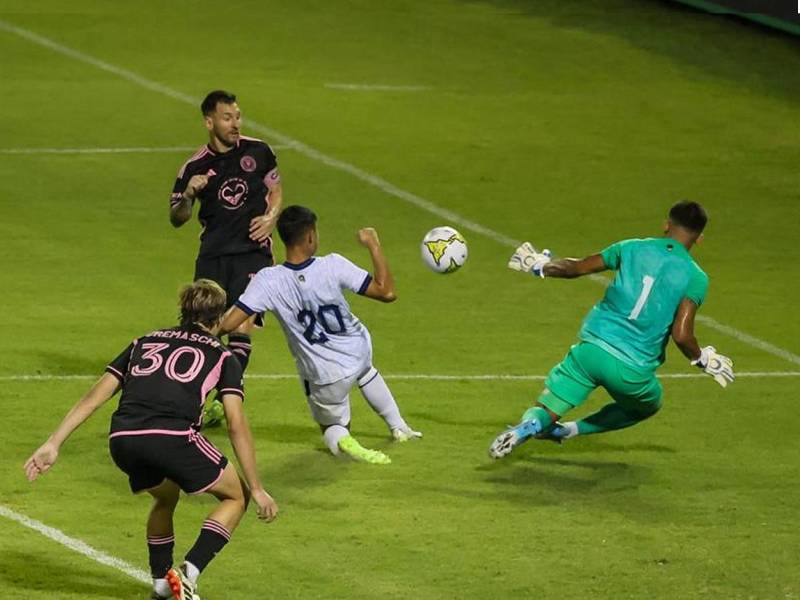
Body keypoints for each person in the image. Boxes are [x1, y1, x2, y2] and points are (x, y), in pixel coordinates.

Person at [24, 280, 278, 600]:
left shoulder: (144, 341)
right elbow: (235, 424)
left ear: (183, 311)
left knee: (165, 496)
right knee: (235, 496)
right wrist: (257, 487)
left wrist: (53, 443)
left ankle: (161, 584)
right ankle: (189, 571)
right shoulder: (222, 355)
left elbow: (95, 396)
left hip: (124, 440)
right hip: (172, 437)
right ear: (219, 318)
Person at [489, 200, 735, 458]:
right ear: (699, 238)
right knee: (648, 404)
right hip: (632, 371)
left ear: (666, 224)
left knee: (548, 407)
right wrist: (702, 359)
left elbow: (577, 267)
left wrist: (539, 265)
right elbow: (682, 335)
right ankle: (569, 431)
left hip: (591, 351)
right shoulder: (696, 278)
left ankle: (526, 428)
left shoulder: (631, 247)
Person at [219, 205, 421, 465]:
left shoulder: (267, 280)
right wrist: (373, 245)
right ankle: (399, 427)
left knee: (332, 426)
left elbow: (230, 323)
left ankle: (345, 439)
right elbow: (387, 292)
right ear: (311, 236)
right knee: (366, 370)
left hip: (325, 375)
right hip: (357, 349)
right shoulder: (334, 265)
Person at [169, 90, 284, 425]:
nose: (235, 124)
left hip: (253, 253)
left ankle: (223, 399)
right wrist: (189, 193)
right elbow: (177, 218)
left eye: (237, 116)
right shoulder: (194, 166)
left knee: (242, 324)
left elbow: (276, 189)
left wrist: (272, 217)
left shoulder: (259, 151)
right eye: (227, 118)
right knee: (205, 329)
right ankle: (202, 392)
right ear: (209, 122)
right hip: (213, 255)